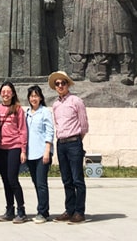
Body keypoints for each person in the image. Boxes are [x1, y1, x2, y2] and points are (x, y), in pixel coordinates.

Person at [49, 70, 89, 224]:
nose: (60, 86)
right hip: (61, 144)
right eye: (57, 84)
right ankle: (70, 209)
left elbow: (84, 125)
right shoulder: (56, 104)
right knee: (66, 179)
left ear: (67, 84)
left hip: (73, 143)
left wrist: (76, 140)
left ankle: (80, 212)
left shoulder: (76, 101)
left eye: (63, 83)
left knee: (77, 179)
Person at [0, 81, 28, 223]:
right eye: (3, 91)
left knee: (12, 179)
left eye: (8, 91)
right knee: (5, 180)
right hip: (1, 148)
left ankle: (21, 210)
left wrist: (23, 150)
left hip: (14, 147)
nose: (6, 93)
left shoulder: (18, 109)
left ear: (13, 93)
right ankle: (9, 209)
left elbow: (23, 130)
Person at [25, 85, 54, 224]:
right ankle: (42, 209)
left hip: (43, 153)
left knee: (42, 183)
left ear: (41, 97)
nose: (33, 98)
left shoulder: (45, 112)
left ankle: (43, 212)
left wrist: (47, 150)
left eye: (36, 96)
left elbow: (50, 131)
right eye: (31, 96)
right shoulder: (27, 113)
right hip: (31, 153)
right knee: (36, 183)